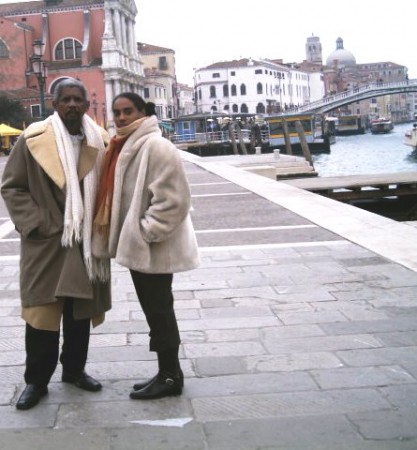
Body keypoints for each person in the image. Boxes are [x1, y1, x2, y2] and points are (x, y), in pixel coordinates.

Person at [1, 78, 111, 410]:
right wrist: (39, 223)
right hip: (47, 243)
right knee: (41, 317)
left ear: (87, 105)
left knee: (79, 315)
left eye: (78, 99)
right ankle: (36, 381)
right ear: (54, 103)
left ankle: (74, 371)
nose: (73, 104)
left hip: (85, 244)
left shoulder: (100, 140)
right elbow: (12, 186)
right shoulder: (33, 140)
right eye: (66, 99)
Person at [93, 92, 199, 400]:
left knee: (160, 311)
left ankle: (170, 377)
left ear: (143, 112)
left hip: (155, 246)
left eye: (128, 111)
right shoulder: (124, 145)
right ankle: (169, 371)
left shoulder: (156, 146)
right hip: (143, 247)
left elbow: (174, 201)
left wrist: (143, 233)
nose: (121, 117)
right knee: (156, 311)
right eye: (117, 112)